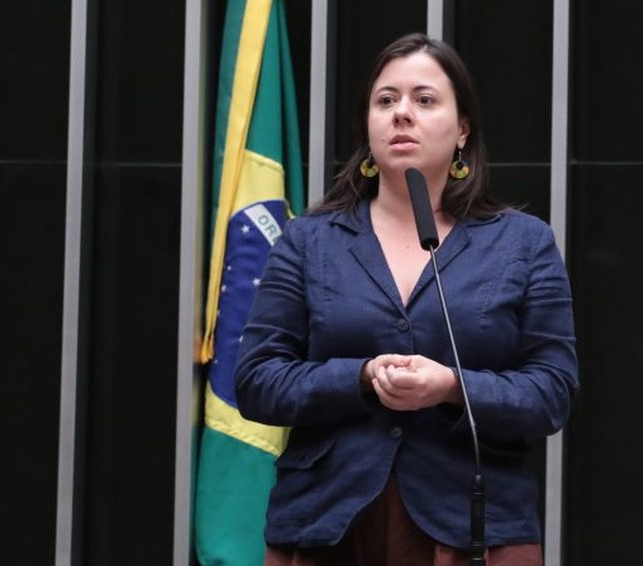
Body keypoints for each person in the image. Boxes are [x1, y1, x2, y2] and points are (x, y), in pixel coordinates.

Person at [234, 32, 579, 566]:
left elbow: (551, 392)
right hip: (328, 523)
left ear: (462, 129)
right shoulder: (308, 241)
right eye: (386, 100)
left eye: (424, 99)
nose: (401, 113)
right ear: (367, 126)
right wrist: (361, 376)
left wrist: (450, 386)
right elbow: (257, 381)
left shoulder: (522, 243)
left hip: (473, 526)